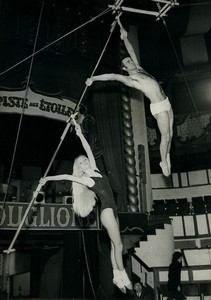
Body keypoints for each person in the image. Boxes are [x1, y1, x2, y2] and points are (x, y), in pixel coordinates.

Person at [39, 114, 132, 294]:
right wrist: (47, 178)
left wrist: (79, 131)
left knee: (114, 245)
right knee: (119, 245)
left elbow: (87, 148)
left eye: (85, 160)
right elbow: (66, 176)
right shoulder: (87, 180)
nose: (84, 162)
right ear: (80, 168)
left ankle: (115, 275)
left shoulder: (95, 168)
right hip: (106, 212)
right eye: (81, 163)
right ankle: (123, 278)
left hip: (113, 210)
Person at [86, 19, 174, 177]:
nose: (131, 61)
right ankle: (163, 161)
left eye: (130, 60)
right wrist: (94, 79)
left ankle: (166, 154)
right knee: (165, 135)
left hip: (166, 102)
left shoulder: (140, 69)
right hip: (158, 107)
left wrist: (124, 36)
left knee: (171, 133)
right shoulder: (130, 80)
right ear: (125, 68)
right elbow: (112, 76)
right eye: (127, 62)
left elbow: (131, 51)